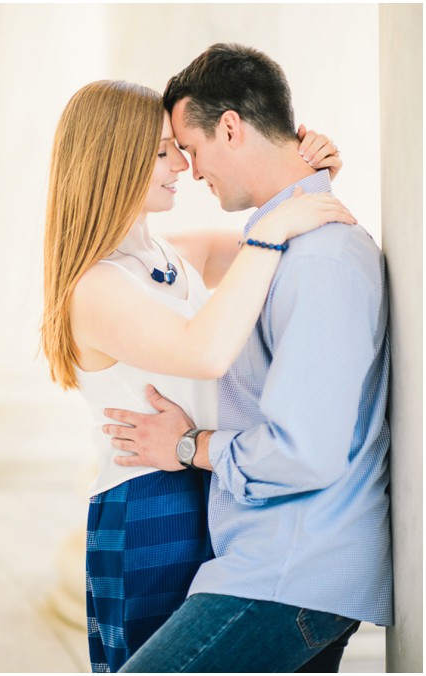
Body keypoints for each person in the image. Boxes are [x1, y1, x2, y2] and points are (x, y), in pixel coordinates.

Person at [41, 79, 351, 672]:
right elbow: (204, 350)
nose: (183, 162)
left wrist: (310, 172)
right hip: (148, 503)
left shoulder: (170, 253)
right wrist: (275, 227)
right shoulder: (94, 286)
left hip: (207, 478)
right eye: (162, 151)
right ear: (115, 161)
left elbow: (297, 244)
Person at [102, 43, 392, 673]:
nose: (187, 167)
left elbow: (301, 451)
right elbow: (137, 256)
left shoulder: (319, 256)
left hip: (286, 571)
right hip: (272, 564)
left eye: (189, 147)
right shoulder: (281, 241)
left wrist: (186, 447)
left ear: (230, 126)